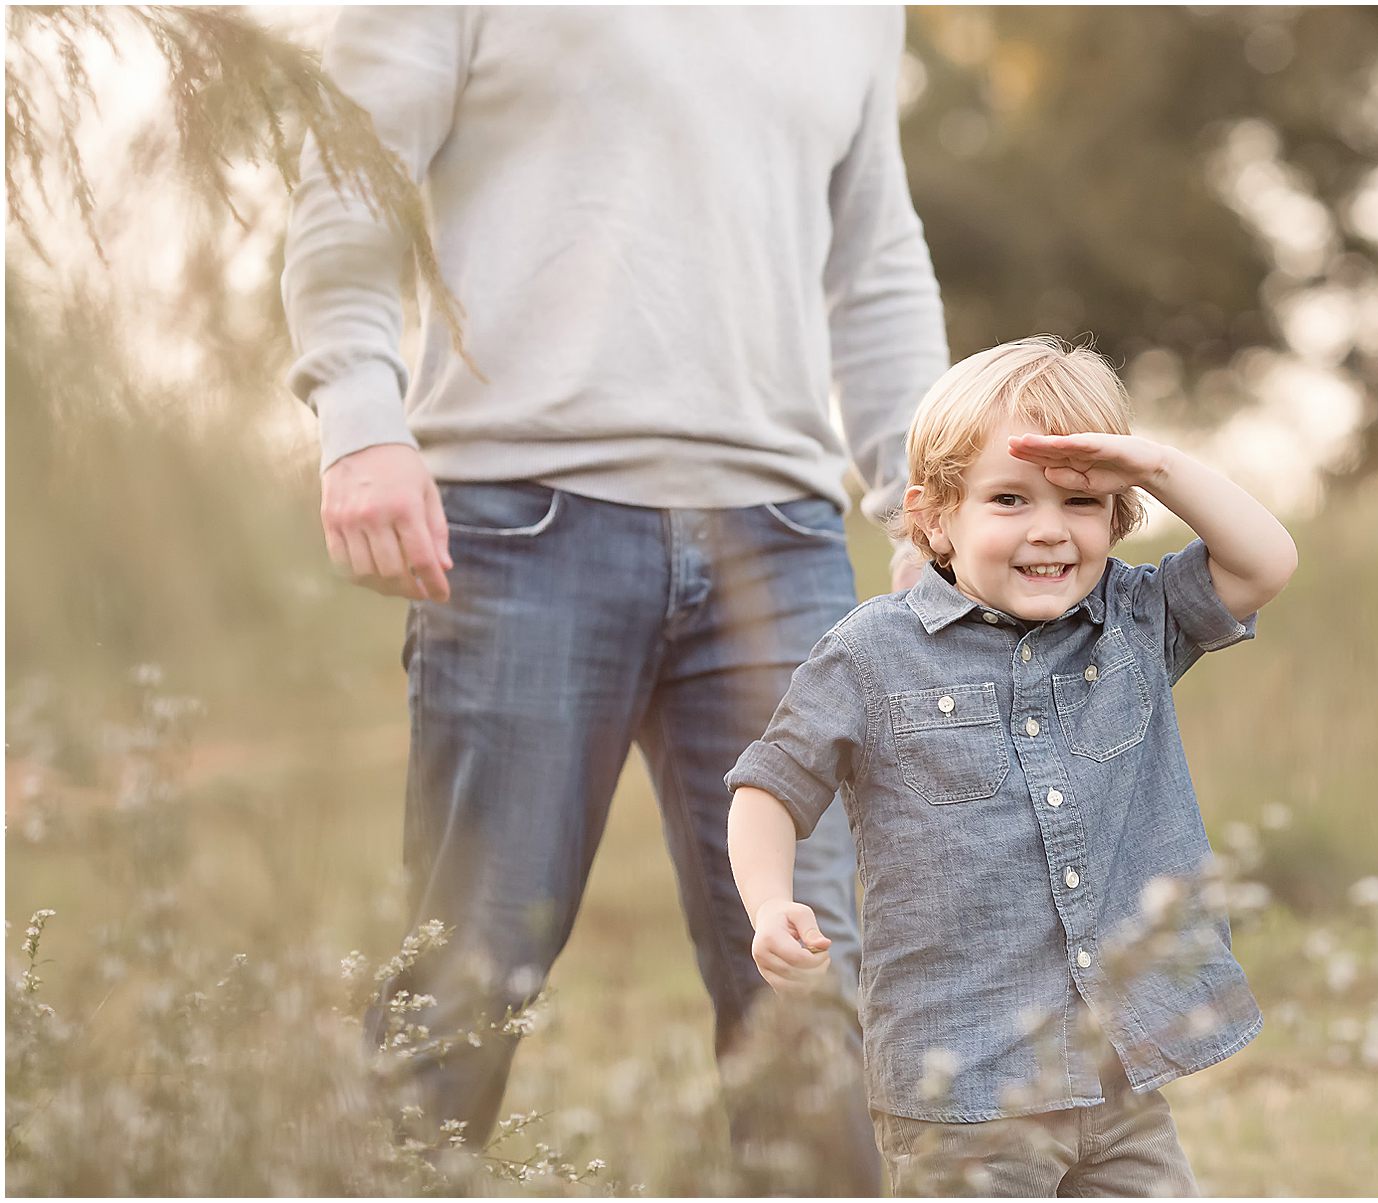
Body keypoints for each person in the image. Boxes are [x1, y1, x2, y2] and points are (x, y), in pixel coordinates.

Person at [280, 8, 946, 1190]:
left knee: (808, 976)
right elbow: (351, 175)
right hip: (518, 522)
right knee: (470, 974)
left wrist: (923, 495)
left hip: (783, 540)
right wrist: (359, 415)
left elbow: (875, 258)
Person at [726, 336, 1299, 1195]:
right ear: (933, 517)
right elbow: (769, 785)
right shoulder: (872, 654)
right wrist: (770, 903)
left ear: (1117, 514)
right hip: (961, 1091)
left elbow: (1265, 561)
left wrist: (1155, 463)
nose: (1047, 528)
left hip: (1119, 1075)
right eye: (1008, 498)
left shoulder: (1134, 621)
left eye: (1080, 501)